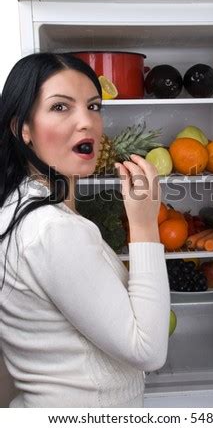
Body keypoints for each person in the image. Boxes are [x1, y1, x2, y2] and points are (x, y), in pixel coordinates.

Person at [0, 53, 170, 408]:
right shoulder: (53, 230)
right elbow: (149, 351)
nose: (87, 122)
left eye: (93, 106)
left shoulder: (20, 206)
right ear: (23, 129)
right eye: (61, 108)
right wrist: (143, 222)